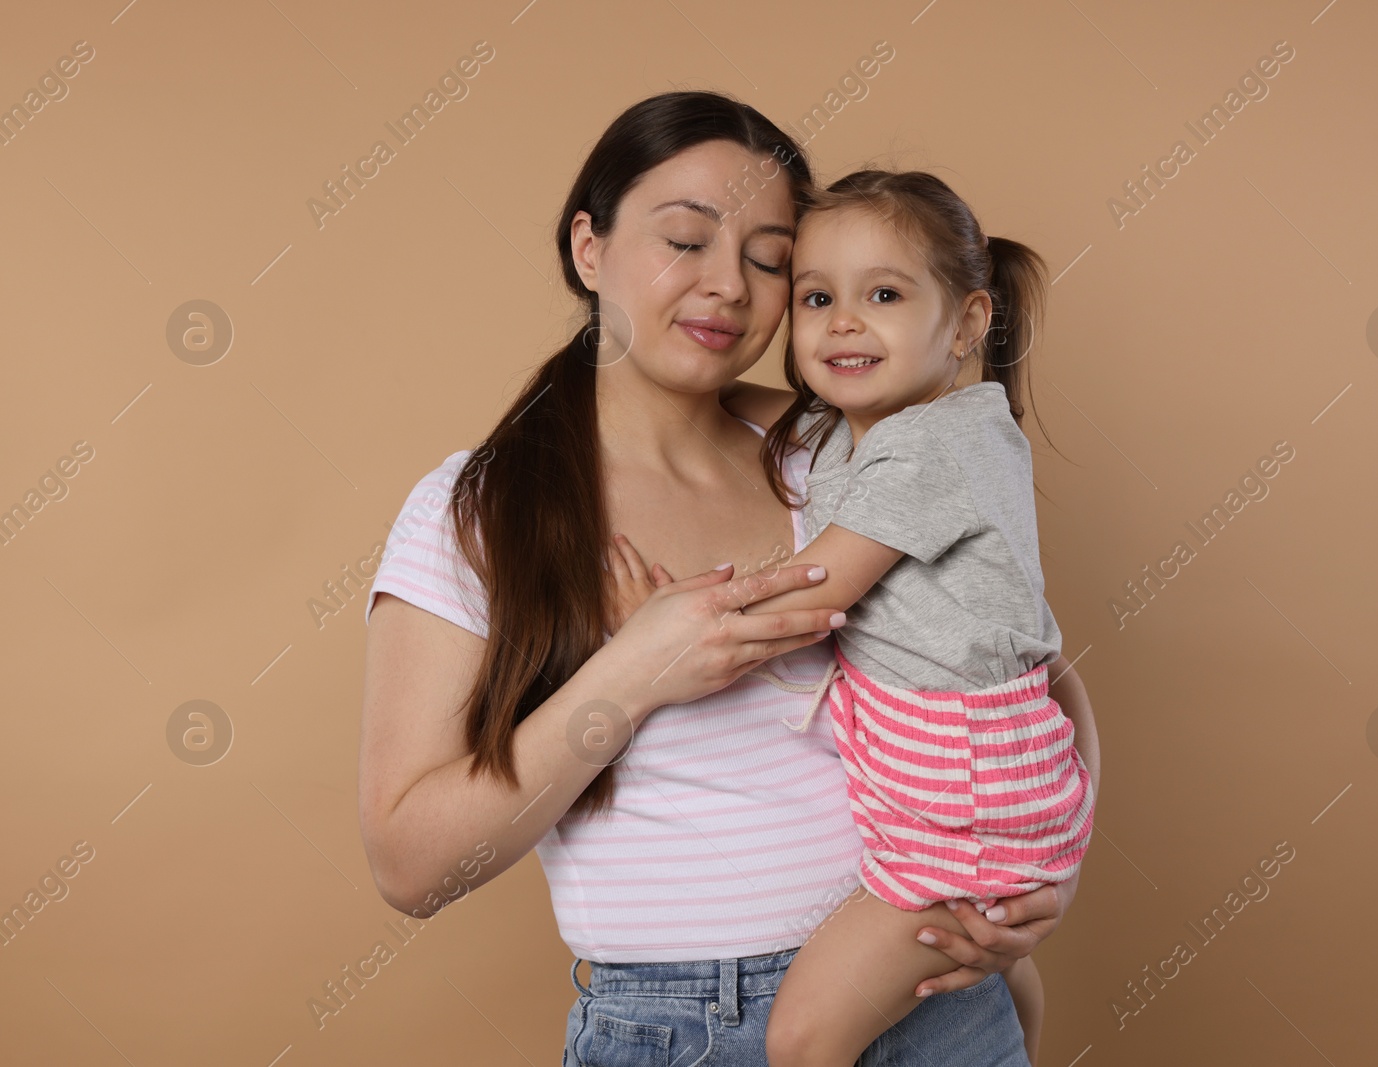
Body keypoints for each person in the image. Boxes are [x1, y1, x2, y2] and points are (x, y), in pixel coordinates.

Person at [357, 91, 1097, 1067]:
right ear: (589, 248)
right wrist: (636, 668)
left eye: (769, 260)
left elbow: (1020, 659)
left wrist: (1043, 878)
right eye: (686, 240)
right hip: (684, 1026)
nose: (728, 288)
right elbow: (411, 861)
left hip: (920, 975)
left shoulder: (833, 452)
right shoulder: (484, 508)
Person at [608, 170, 1095, 1066]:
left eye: (884, 295)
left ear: (967, 324)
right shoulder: (858, 426)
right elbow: (730, 414)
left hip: (960, 796)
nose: (841, 322)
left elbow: (817, 591)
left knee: (801, 1038)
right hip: (954, 773)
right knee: (975, 970)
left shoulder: (934, 444)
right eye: (816, 296)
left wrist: (667, 620)